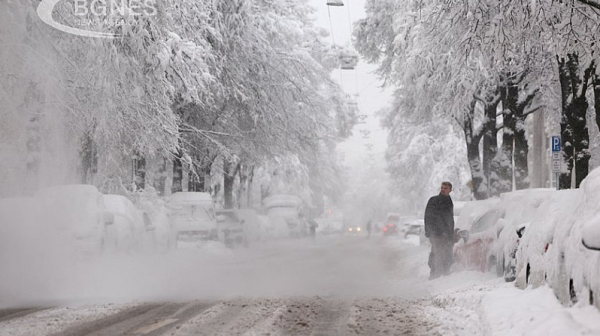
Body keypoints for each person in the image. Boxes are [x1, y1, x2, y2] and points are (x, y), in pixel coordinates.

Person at [424, 181, 455, 279]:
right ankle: (434, 275)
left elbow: (450, 218)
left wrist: (450, 232)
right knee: (437, 252)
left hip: (447, 233)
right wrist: (430, 231)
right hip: (436, 233)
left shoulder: (449, 201)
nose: (443, 189)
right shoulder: (434, 200)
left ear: (450, 190)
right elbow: (428, 217)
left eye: (445, 188)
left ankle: (445, 273)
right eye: (442, 187)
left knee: (447, 253)